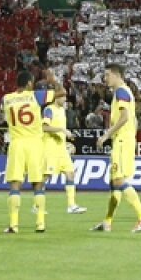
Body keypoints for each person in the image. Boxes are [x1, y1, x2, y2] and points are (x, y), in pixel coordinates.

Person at [91, 63, 141, 233]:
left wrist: (106, 135)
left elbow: (125, 117)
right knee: (114, 183)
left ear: (117, 75)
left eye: (107, 75)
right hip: (124, 140)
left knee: (119, 181)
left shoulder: (121, 92)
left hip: (122, 141)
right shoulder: (123, 92)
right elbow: (133, 119)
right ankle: (107, 222)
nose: (105, 78)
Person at [1, 70, 50, 234]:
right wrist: (51, 80)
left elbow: (3, 115)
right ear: (29, 83)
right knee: (38, 184)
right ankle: (40, 223)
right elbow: (62, 93)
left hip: (16, 143)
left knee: (15, 184)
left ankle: (14, 225)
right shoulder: (36, 96)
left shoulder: (7, 98)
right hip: (35, 143)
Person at [42, 85, 86, 215]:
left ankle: (71, 205)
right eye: (63, 96)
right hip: (49, 147)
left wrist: (66, 139)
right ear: (57, 97)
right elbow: (45, 127)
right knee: (45, 176)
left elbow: (61, 128)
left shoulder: (62, 110)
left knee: (70, 173)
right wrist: (61, 130)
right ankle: (37, 204)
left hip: (61, 147)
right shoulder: (48, 110)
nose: (65, 99)